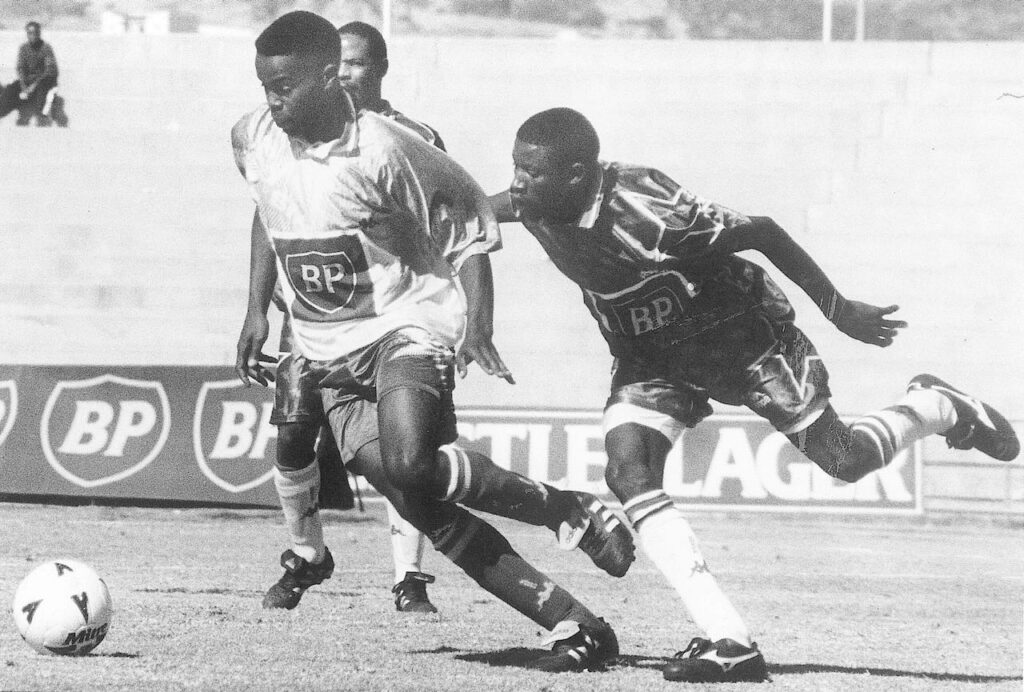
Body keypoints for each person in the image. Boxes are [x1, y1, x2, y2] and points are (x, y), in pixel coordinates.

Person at [488, 107, 1020, 683]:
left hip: (743, 341)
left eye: (532, 172)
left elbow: (763, 231)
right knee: (628, 471)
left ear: (575, 175)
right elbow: (471, 214)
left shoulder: (650, 212)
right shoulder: (533, 204)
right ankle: (731, 640)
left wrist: (840, 310)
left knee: (845, 460)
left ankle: (936, 404)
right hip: (654, 359)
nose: (518, 182)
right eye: (516, 168)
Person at [232, 13, 634, 672]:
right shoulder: (253, 136)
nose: (272, 103)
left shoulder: (389, 149)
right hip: (324, 348)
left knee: (412, 463)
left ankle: (564, 511)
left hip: (405, 326)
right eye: (264, 88)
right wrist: (255, 308)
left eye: (284, 88)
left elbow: (471, 228)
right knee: (423, 504)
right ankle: (577, 621)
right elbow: (268, 207)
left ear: (328, 77)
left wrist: (477, 324)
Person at [254, 19, 451, 615]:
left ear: (382, 69)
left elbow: (445, 231)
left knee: (401, 448)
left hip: (392, 318)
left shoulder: (410, 139)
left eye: (357, 62)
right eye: (337, 61)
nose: (344, 72)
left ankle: (409, 576)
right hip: (313, 316)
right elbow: (265, 213)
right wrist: (255, 308)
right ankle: (307, 554)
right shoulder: (289, 138)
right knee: (293, 430)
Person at [0, 22, 67, 127]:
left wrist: (33, 86)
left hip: (44, 82)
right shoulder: (24, 48)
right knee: (10, 91)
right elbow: (21, 69)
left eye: (36, 33)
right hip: (28, 82)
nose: (33, 35)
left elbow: (50, 71)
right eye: (30, 33)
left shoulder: (46, 48)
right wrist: (24, 86)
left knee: (41, 100)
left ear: (39, 33)